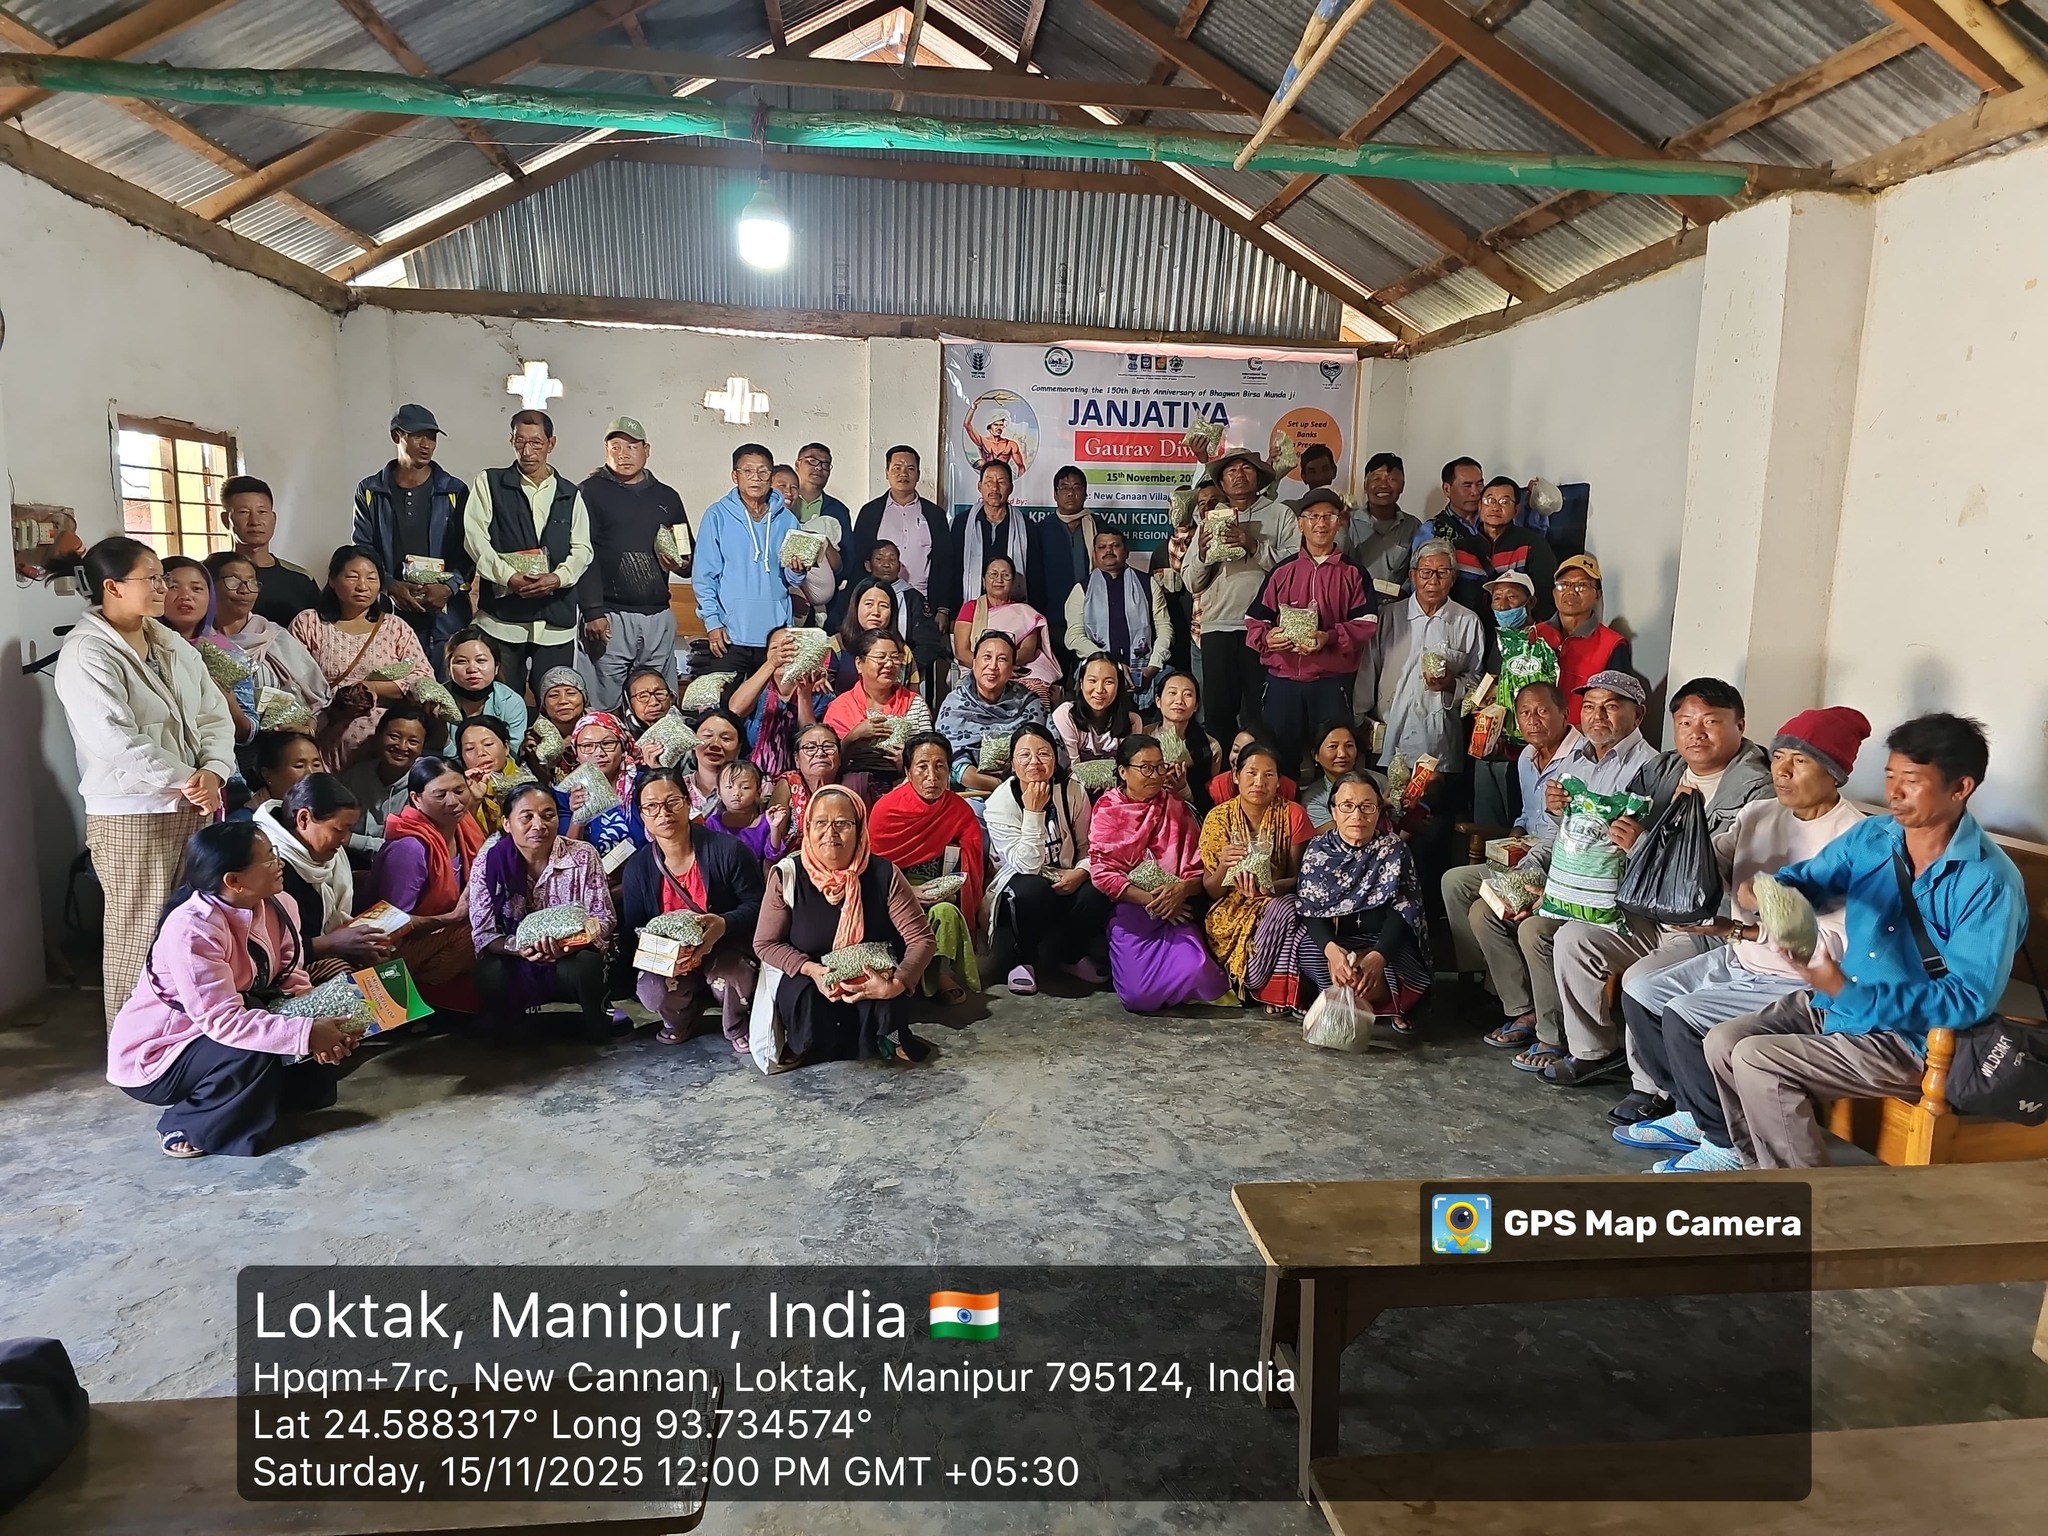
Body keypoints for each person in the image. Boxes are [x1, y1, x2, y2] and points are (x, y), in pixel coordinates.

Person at [1703, 714, 2026, 1170]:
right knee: (1723, 1041)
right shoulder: (1876, 837)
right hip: (1839, 1004)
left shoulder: (1988, 881)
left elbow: (1966, 998)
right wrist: (1771, 892)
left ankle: (1814, 1199)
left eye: (1911, 780)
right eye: (1890, 776)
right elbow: (1809, 881)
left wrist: (1852, 992)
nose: (1894, 792)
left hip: (1911, 1039)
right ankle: (1760, 1171)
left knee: (1758, 1060)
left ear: (1960, 788)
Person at [1612, 709, 1872, 1159]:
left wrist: (1745, 926)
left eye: (1800, 761)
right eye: (1779, 757)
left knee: (1685, 1015)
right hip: (1742, 958)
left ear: (1834, 774)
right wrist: (1683, 828)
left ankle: (1725, 1142)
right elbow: (1709, 865)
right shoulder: (1759, 813)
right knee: (1640, 992)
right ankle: (1694, 1111)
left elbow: (1837, 945)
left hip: (1797, 979)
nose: (1782, 771)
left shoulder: (1856, 838)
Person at [1540, 677, 1774, 1086]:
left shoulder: (1759, 791)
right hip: (1646, 908)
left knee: (1640, 980)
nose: (1696, 733)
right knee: (1574, 939)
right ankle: (1593, 1051)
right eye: (1685, 723)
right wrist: (1570, 810)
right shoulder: (1663, 769)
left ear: (1739, 725)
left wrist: (1643, 843)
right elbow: (1612, 824)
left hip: (1707, 926)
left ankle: (1651, 1086)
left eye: (1710, 722)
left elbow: (1711, 871)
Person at [54, 536, 236, 1025]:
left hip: (192, 801)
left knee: (187, 926)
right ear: (112, 587)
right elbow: (115, 739)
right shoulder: (87, 652)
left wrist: (214, 770)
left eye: (163, 577)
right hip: (134, 811)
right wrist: (189, 778)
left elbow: (213, 713)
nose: (163, 588)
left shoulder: (167, 641)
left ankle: (180, 1036)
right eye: (152, 579)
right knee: (139, 930)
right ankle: (131, 1043)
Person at [105, 820, 356, 1159]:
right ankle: (188, 1123)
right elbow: (222, 1022)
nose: (279, 863)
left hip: (230, 1020)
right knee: (252, 1051)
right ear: (234, 881)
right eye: (269, 858)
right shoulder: (192, 929)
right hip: (165, 1050)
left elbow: (290, 973)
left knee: (337, 1031)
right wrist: (305, 1032)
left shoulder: (280, 903)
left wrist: (316, 1017)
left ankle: (249, 1101)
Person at [1463, 670, 1658, 1066]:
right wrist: (1526, 877)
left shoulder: (1651, 769)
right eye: (1590, 706)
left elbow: (1633, 856)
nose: (1597, 716)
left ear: (1638, 715)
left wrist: (1548, 895)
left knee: (1535, 929)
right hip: (1563, 877)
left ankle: (1554, 1036)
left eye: (1610, 707)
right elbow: (1559, 837)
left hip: (1606, 895)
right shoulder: (1580, 762)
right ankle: (1524, 1010)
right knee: (1487, 908)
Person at [753, 787, 937, 1066]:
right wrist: (811, 969)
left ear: (860, 829)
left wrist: (896, 984)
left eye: (842, 824)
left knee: (885, 991)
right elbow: (765, 943)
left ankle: (890, 1036)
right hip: (811, 973)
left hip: (869, 974)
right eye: (821, 822)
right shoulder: (787, 875)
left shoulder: (884, 874)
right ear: (807, 827)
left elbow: (921, 939)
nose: (831, 833)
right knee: (803, 995)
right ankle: (806, 1044)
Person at [1357, 538, 1486, 914]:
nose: (1433, 580)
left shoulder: (1466, 621)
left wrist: (1452, 685)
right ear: (1412, 575)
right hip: (1389, 739)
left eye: (1442, 572)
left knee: (1430, 835)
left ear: (1453, 577)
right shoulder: (1390, 616)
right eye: (1425, 572)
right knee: (1386, 827)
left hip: (1439, 745)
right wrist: (1360, 720)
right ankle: (1382, 910)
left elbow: (1479, 685)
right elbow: (1367, 670)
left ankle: (1426, 917)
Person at [621, 769, 764, 1050]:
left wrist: (723, 924)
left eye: (672, 802)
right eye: (651, 807)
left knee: (730, 979)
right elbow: (633, 928)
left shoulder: (728, 851)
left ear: (687, 802)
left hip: (725, 947)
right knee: (652, 990)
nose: (663, 813)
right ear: (642, 815)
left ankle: (737, 1022)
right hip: (670, 957)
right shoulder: (638, 868)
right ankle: (681, 1017)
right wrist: (661, 953)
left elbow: (759, 906)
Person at [1441, 679, 1575, 976]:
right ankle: (1477, 971)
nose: (1533, 720)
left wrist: (1529, 858)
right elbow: (1527, 815)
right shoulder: (1526, 757)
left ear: (1564, 714)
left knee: (1485, 909)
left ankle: (1501, 981)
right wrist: (1514, 837)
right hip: (1524, 856)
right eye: (1525, 713)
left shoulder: (1582, 758)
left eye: (1542, 711)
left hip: (1558, 862)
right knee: (1454, 882)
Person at [467, 782, 617, 1043]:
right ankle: (509, 1029)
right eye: (526, 817)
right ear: (507, 823)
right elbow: (483, 932)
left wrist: (567, 945)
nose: (539, 825)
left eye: (548, 815)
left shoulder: (582, 855)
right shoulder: (489, 862)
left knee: (588, 966)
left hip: (570, 957)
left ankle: (599, 1026)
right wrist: (519, 948)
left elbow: (603, 918)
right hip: (515, 957)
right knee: (489, 971)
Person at [1089, 735, 1229, 1013]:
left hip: (1177, 907)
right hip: (1132, 909)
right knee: (1137, 997)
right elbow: (1102, 873)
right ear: (1123, 771)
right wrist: (1155, 902)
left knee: (1197, 969)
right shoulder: (1107, 808)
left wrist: (1181, 891)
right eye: (1145, 768)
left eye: (1159, 766)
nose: (1155, 775)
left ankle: (1180, 985)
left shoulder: (1174, 805)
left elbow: (1199, 867)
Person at [464, 410, 594, 700]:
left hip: (555, 621)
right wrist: (508, 577)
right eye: (520, 442)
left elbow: (583, 549)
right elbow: (474, 539)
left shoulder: (569, 493)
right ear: (511, 441)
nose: (527, 451)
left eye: (536, 443)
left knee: (557, 700)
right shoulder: (490, 482)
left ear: (551, 443)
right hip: (502, 621)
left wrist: (558, 578)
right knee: (500, 700)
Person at [1245, 489, 1375, 778]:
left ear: (1339, 522)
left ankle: (1335, 806)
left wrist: (1329, 637)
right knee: (1278, 760)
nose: (1321, 523)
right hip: (1282, 683)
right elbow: (1255, 620)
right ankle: (1285, 807)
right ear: (1300, 524)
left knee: (1336, 761)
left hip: (1331, 684)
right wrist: (1267, 638)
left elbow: (1366, 623)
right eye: (1312, 516)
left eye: (1329, 516)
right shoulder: (1282, 571)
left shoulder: (1353, 573)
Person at [1296, 774, 1434, 1029]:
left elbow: (1405, 908)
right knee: (1310, 953)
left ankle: (1370, 1005)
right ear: (1333, 811)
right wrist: (1331, 951)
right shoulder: (1318, 849)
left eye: (1367, 806)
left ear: (1379, 811)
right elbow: (1310, 909)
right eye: (1347, 806)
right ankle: (1354, 1003)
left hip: (1381, 941)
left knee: (1390, 966)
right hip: (1336, 942)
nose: (1357, 815)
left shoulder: (1393, 848)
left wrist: (1378, 956)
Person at [981, 722, 1111, 994]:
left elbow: (1088, 845)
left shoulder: (1071, 791)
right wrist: (1034, 812)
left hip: (1066, 874)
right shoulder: (999, 803)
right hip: (1020, 881)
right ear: (1013, 764)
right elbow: (1026, 865)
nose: (1034, 762)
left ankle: (1073, 957)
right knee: (1031, 889)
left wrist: (1081, 872)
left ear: (1055, 758)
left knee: (1096, 887)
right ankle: (1022, 960)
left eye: (1043, 753)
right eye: (1024, 755)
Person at [1178, 445, 1290, 749]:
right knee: (1217, 715)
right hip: (1217, 627)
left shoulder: (1280, 514)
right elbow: (1190, 581)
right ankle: (1222, 775)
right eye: (1230, 471)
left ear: (1259, 476)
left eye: (1246, 468)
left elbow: (1295, 569)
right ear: (1222, 482)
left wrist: (1253, 546)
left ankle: (1258, 771)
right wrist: (1203, 554)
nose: (1239, 475)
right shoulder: (1210, 520)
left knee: (1260, 713)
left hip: (1265, 629)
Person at [869, 733, 987, 1006]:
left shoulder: (958, 810)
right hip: (893, 892)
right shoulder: (886, 810)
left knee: (945, 912)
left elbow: (970, 860)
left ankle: (937, 974)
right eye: (922, 766)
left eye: (940, 766)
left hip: (939, 887)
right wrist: (909, 892)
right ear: (908, 771)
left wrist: (953, 889)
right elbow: (873, 870)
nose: (932, 776)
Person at [576, 416, 689, 701]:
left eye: (631, 446)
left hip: (658, 614)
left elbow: (687, 552)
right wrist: (593, 611)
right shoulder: (589, 492)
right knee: (604, 701)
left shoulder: (667, 497)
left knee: (656, 700)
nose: (623, 454)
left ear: (646, 450)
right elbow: (582, 554)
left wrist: (683, 562)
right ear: (606, 451)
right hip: (610, 616)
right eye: (615, 447)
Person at [360, 756, 484, 1013]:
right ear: (416, 799)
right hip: (390, 950)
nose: (453, 801)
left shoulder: (462, 828)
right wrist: (451, 918)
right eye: (440, 795)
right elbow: (390, 925)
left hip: (436, 935)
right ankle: (416, 995)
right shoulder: (410, 849)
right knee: (476, 932)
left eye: (459, 790)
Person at [291, 547, 433, 770]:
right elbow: (290, 679)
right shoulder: (309, 623)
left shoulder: (395, 627)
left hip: (384, 746)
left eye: (371, 578)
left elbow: (423, 678)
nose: (362, 586)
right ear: (332, 580)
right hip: (323, 734)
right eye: (352, 577)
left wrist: (372, 688)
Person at [1200, 742, 1316, 1011]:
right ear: (1236, 776)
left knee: (1291, 909)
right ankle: (1261, 983)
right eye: (1251, 773)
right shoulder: (1218, 818)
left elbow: (1300, 879)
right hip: (1229, 911)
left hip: (1277, 902)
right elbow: (1212, 890)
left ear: (1279, 781)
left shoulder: (1293, 814)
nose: (1259, 782)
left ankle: (1275, 991)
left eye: (1268, 775)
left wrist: (1269, 888)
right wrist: (1224, 867)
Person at [352, 404, 471, 664]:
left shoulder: (454, 491)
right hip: (391, 610)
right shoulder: (371, 490)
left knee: (444, 684)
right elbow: (363, 549)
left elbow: (469, 551)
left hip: (444, 617)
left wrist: (448, 588)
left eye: (432, 437)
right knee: (394, 682)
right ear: (396, 436)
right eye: (417, 436)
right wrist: (390, 585)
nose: (426, 445)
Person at [696, 442, 824, 680]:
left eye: (763, 471)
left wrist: (798, 570)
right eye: (748, 471)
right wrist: (712, 623)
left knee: (772, 702)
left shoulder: (787, 520)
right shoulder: (717, 515)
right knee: (729, 702)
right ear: (735, 476)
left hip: (776, 635)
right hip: (730, 633)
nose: (755, 478)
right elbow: (704, 576)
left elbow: (792, 579)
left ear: (771, 477)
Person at [254, 773, 389, 982]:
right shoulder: (271, 868)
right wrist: (331, 944)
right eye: (339, 829)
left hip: (326, 948)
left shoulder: (329, 854)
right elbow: (271, 949)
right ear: (304, 819)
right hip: (286, 967)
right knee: (344, 977)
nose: (344, 840)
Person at [840, 445, 955, 640]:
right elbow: (859, 561)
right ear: (887, 472)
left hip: (922, 605)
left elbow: (945, 563)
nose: (903, 474)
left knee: (920, 653)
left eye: (910, 468)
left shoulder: (934, 515)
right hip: (878, 604)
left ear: (918, 474)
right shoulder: (870, 512)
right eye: (897, 468)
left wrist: (943, 608)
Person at [202, 550, 331, 723]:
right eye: (234, 581)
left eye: (252, 582)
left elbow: (317, 696)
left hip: (280, 730)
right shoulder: (197, 639)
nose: (245, 590)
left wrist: (309, 724)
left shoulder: (274, 636)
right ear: (210, 585)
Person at [1469, 570, 1554, 826]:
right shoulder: (1495, 640)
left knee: (1519, 823)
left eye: (1512, 597)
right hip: (1491, 749)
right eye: (1497, 599)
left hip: (1525, 753)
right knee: (1486, 826)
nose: (1503, 606)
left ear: (1531, 602)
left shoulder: (1543, 641)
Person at [934, 631, 1050, 795]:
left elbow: (1048, 753)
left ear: (1012, 668)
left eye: (1002, 659)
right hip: (971, 792)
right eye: (987, 657)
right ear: (974, 662)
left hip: (1025, 789)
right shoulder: (955, 705)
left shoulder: (1029, 704)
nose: (993, 666)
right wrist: (998, 785)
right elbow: (949, 760)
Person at [1063, 528, 1171, 703]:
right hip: (1098, 672)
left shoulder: (1148, 584)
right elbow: (1074, 637)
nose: (1109, 550)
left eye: (1115, 546)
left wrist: (1153, 666)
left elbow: (1164, 629)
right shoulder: (1081, 590)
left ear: (1126, 552)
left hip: (1144, 671)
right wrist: (1109, 663)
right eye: (1102, 547)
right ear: (1094, 554)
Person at [161, 556, 254, 743]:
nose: (185, 596)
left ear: (210, 597)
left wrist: (228, 701)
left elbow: (247, 732)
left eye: (196, 588)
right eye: (173, 587)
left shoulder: (228, 654)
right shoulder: (142, 648)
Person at [821, 629, 920, 804]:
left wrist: (906, 762)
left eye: (895, 658)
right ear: (859, 664)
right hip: (850, 789)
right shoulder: (840, 707)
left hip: (903, 787)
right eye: (881, 657)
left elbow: (927, 755)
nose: (889, 664)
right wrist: (853, 736)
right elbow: (827, 763)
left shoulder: (914, 704)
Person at [1531, 555, 1631, 724]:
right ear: (1554, 593)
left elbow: (1615, 707)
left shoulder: (1612, 644)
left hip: (1582, 737)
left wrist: (1576, 733)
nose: (1570, 591)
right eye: (1563, 585)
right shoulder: (1534, 634)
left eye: (1581, 585)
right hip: (1534, 733)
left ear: (1597, 594)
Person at [1452, 476, 1557, 632]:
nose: (1495, 507)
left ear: (1516, 510)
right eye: (1490, 500)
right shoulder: (1460, 548)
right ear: (1480, 506)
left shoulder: (1532, 545)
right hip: (1466, 632)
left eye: (1504, 502)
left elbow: (1545, 598)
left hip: (1516, 635)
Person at [953, 554, 1060, 704]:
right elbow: (962, 652)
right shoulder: (971, 608)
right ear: (984, 580)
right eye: (993, 574)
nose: (999, 580)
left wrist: (1006, 667)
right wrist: (991, 668)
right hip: (979, 668)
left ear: (1013, 582)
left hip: (1016, 668)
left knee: (1037, 690)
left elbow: (1028, 650)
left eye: (1005, 575)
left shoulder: (1024, 612)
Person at [940, 460, 1038, 623]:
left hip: (1013, 615)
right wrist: (951, 614)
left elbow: (1034, 576)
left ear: (1011, 488)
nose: (995, 488)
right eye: (989, 482)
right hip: (970, 612)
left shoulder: (1026, 526)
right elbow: (952, 569)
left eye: (1001, 482)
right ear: (979, 486)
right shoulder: (962, 523)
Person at [730, 630, 832, 783]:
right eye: (774, 648)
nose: (782, 654)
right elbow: (736, 709)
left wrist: (804, 695)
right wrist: (771, 664)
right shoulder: (757, 688)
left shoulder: (820, 694)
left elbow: (809, 741)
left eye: (789, 647)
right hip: (750, 779)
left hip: (797, 780)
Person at [336, 700, 433, 858]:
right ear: (378, 735)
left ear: (422, 748)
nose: (402, 746)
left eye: (413, 742)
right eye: (394, 737)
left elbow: (411, 848)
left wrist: (353, 840)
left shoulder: (426, 785)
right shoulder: (356, 775)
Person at [221, 476, 321, 628]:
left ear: (273, 518)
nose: (255, 521)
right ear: (225, 520)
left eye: (262, 512)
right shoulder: (208, 576)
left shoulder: (301, 579)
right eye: (243, 512)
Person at [860, 541, 948, 699]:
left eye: (892, 559)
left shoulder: (913, 598)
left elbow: (928, 643)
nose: (886, 564)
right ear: (868, 565)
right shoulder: (857, 594)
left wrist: (904, 669)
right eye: (879, 559)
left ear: (899, 566)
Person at [559, 711, 645, 863]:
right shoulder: (564, 794)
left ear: (623, 747)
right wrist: (579, 816)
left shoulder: (643, 784)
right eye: (587, 746)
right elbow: (567, 858)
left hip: (642, 872)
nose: (599, 753)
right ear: (576, 753)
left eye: (607, 744)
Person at [1034, 465, 1098, 667]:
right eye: (1064, 487)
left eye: (1077, 487)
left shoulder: (1099, 527)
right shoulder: (1041, 530)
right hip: (1054, 621)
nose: (1071, 493)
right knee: (1055, 680)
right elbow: (1034, 578)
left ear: (1085, 493)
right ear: (1055, 494)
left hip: (1093, 621)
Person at [1051, 655, 1144, 774]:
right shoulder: (1066, 715)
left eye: (1109, 682)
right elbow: (1073, 768)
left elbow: (1130, 769)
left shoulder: (1133, 721)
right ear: (1081, 683)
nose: (1099, 690)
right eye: (1092, 681)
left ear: (1119, 686)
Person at [827, 579, 922, 694]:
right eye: (869, 604)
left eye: (883, 606)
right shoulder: (836, 645)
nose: (876, 612)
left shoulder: (902, 650)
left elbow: (913, 696)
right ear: (856, 606)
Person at [443, 627, 528, 749]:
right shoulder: (436, 700)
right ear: (449, 668)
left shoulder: (511, 702)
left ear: (496, 667)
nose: (472, 669)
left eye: (481, 660)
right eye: (461, 661)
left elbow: (512, 750)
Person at [1151, 669, 1220, 815]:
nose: (1179, 701)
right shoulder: (1142, 735)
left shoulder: (1210, 747)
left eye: (1187, 695)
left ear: (1196, 706)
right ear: (1158, 701)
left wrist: (1184, 791)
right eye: (1172, 693)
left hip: (1187, 815)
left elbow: (1209, 798)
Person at [1350, 453, 1420, 591]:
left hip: (1397, 602)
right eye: (1376, 479)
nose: (1383, 485)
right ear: (1365, 485)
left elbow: (1418, 569)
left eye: (1391, 479)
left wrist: (1404, 592)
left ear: (1402, 486)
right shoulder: (1348, 523)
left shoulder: (1413, 526)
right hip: (1355, 600)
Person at [711, 759, 790, 863]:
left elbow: (773, 856)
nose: (736, 793)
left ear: (758, 792)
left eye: (745, 787)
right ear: (719, 792)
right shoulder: (712, 824)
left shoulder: (765, 823)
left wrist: (775, 828)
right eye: (729, 787)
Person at [455, 716, 522, 836]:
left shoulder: (527, 783)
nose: (480, 753)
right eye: (470, 749)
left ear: (506, 748)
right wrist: (473, 802)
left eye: (488, 744)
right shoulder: (455, 793)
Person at [238, 729, 324, 818]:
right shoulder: (246, 822)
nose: (311, 773)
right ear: (267, 775)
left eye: (316, 765)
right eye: (299, 766)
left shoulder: (330, 812)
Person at [1205, 728, 1300, 809]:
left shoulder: (1290, 792)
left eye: (1247, 752)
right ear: (1235, 776)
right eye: (1236, 750)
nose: (1238, 758)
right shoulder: (1214, 791)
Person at [774, 722, 845, 829]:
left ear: (839, 758)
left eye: (828, 746)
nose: (820, 753)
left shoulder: (853, 784)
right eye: (810, 748)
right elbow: (773, 833)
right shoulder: (788, 785)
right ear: (797, 760)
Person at [680, 710, 747, 820]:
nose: (715, 744)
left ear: (738, 748)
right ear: (692, 742)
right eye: (707, 736)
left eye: (726, 739)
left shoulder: (751, 789)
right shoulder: (678, 787)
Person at [525, 666, 589, 778]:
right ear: (544, 705)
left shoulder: (602, 729)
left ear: (584, 699)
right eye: (554, 695)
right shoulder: (535, 738)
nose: (563, 701)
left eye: (571, 693)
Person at [1300, 720, 1363, 831]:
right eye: (1333, 746)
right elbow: (1340, 836)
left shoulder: (1380, 781)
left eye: (1349, 746)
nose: (1342, 754)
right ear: (1316, 755)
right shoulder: (1314, 799)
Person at [792, 441, 853, 550]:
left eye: (825, 465)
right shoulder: (781, 501)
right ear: (797, 465)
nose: (819, 468)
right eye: (812, 461)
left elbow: (847, 554)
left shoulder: (839, 510)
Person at [1417, 456, 1484, 549]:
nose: (1475, 492)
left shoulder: (1492, 520)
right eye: (1467, 486)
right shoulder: (1432, 530)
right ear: (1446, 489)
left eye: (1479, 484)